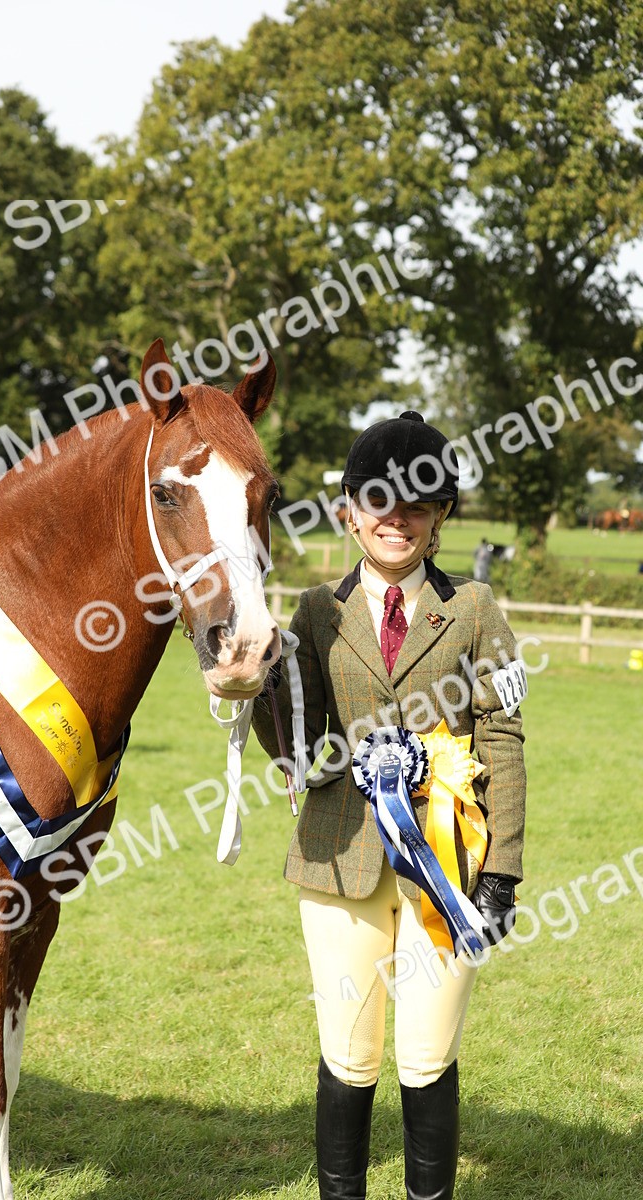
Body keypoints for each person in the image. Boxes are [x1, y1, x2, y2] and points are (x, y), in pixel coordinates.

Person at [253, 411, 526, 1200]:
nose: (395, 518)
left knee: (426, 1054)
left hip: (450, 864)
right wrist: (265, 685)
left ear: (440, 517)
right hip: (338, 858)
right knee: (349, 1053)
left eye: (418, 503)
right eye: (379, 500)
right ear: (349, 511)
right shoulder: (313, 611)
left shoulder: (475, 610)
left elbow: (503, 741)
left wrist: (501, 870)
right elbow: (297, 752)